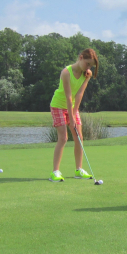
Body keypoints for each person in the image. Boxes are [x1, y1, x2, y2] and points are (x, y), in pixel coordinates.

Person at [49, 48, 99, 182]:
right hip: (58, 105)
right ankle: (55, 172)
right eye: (88, 64)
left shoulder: (86, 75)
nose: (89, 68)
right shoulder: (66, 72)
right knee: (63, 138)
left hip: (72, 106)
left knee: (79, 136)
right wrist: (71, 118)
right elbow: (68, 95)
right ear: (81, 58)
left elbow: (79, 94)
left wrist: (74, 112)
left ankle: (79, 170)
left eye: (91, 66)